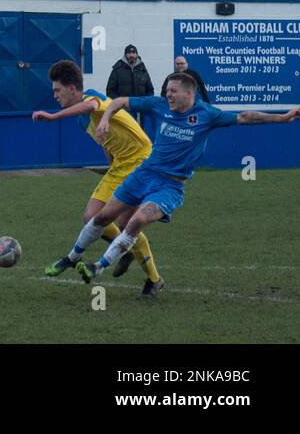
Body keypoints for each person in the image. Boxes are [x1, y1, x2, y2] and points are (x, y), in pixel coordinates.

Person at [48, 72, 299, 298]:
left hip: (169, 186)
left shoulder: (206, 115)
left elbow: (245, 117)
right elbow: (120, 101)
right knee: (103, 217)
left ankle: (99, 267)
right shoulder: (159, 106)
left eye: (173, 90)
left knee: (135, 222)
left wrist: (283, 117)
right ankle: (72, 257)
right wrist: (106, 119)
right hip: (143, 174)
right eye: (167, 90)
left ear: (189, 93)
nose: (167, 94)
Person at [32, 60, 161, 288]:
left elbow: (91, 107)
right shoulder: (82, 121)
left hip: (141, 161)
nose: (55, 96)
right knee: (91, 216)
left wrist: (53, 117)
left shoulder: (92, 97)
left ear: (73, 88)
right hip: (120, 164)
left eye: (57, 90)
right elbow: (105, 138)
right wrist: (110, 161)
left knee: (125, 224)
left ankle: (154, 279)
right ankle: (126, 249)